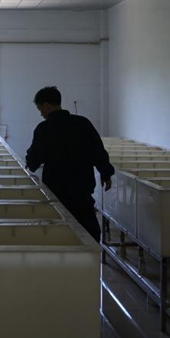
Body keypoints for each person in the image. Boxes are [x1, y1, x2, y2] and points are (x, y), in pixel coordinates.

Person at [25, 86, 114, 243]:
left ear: (46, 105)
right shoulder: (83, 124)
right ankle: (90, 263)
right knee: (89, 233)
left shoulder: (44, 129)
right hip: (82, 190)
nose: (41, 113)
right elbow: (98, 151)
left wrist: (28, 163)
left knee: (58, 233)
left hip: (56, 192)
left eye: (40, 109)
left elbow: (33, 160)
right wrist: (105, 173)